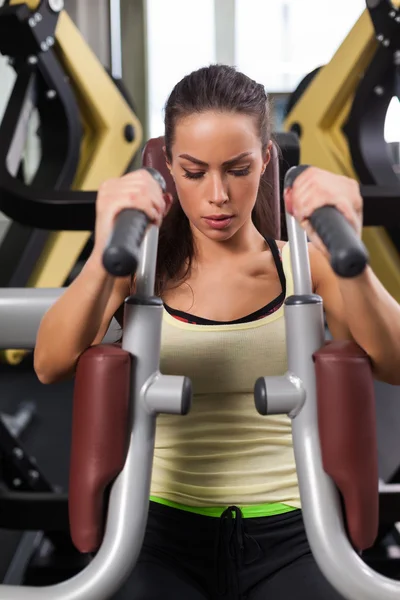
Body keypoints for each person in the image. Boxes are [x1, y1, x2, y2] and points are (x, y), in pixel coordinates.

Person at [34, 65, 400, 600]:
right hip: (156, 528)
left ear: (266, 159)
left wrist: (355, 258)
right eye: (194, 171)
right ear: (168, 172)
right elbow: (49, 363)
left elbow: (393, 362)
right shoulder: (140, 267)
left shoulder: (305, 265)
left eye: (238, 168)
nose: (219, 195)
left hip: (297, 529)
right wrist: (103, 248)